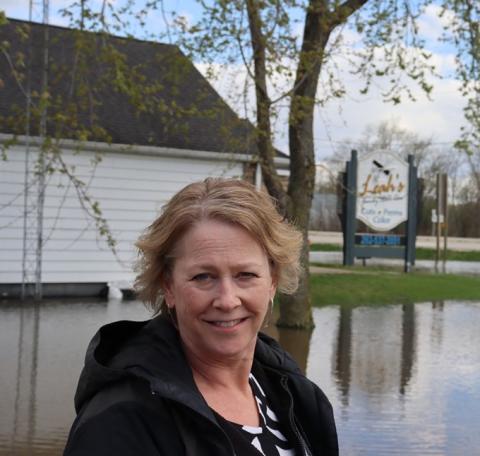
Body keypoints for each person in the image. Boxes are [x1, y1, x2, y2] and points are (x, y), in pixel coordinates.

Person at [64, 178, 338, 456]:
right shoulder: (118, 423)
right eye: (203, 277)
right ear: (168, 286)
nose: (228, 300)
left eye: (246, 275)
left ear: (272, 282)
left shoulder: (300, 399)